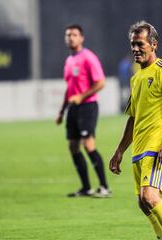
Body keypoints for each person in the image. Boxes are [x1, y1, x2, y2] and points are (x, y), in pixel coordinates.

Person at [109, 21, 162, 239]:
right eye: (132, 44)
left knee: (151, 198)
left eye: (140, 44)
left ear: (154, 44)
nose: (135, 49)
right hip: (139, 150)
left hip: (157, 147)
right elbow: (133, 119)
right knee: (143, 203)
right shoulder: (136, 79)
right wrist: (119, 151)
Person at [56, 24, 110, 198]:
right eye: (68, 35)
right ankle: (86, 188)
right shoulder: (69, 60)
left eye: (74, 34)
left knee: (88, 145)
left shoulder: (88, 57)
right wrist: (62, 111)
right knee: (73, 146)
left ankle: (104, 187)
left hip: (87, 106)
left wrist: (81, 96)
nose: (71, 37)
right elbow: (69, 88)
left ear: (81, 38)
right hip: (73, 108)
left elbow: (101, 82)